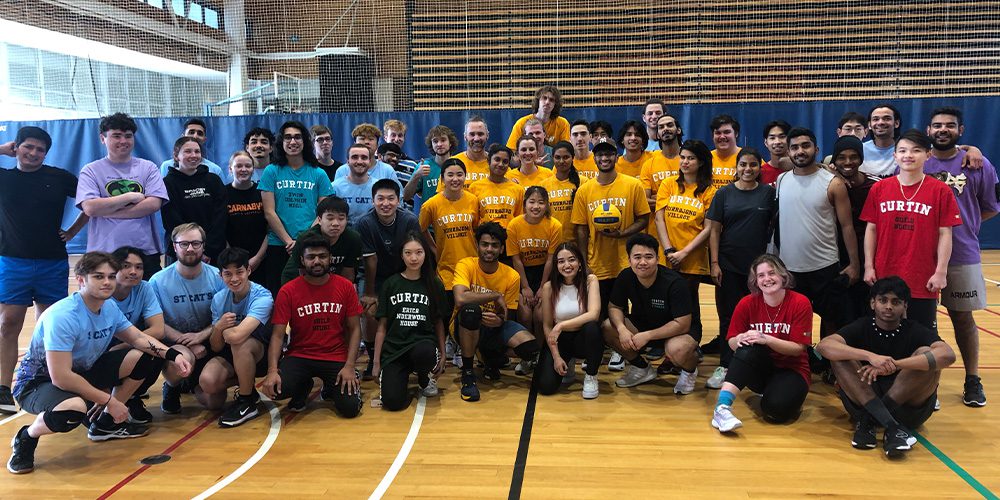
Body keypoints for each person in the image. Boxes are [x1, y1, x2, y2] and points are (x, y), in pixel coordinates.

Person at [7, 252, 192, 474]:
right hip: (39, 382)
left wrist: (173, 355)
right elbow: (61, 377)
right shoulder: (63, 315)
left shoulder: (109, 307)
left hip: (82, 372)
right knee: (73, 410)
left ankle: (105, 425)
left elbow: (139, 339)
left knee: (145, 355)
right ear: (81, 279)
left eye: (111, 276)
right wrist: (109, 400)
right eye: (98, 276)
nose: (107, 282)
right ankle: (27, 437)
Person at [0, 126, 87, 414]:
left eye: (40, 149)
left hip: (52, 261)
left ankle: (43, 381)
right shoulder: (5, 177)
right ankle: (2, 389)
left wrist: (73, 231)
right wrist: (4, 148)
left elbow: (89, 201)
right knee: (8, 323)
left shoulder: (58, 177)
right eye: (28, 147)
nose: (34, 153)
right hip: (13, 261)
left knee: (48, 326)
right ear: (17, 148)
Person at [817, 277, 955, 457]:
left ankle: (869, 421)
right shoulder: (862, 325)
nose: (888, 306)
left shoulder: (914, 329)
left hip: (906, 409)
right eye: (883, 300)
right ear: (873, 303)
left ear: (905, 306)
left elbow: (948, 355)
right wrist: (870, 357)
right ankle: (892, 427)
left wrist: (895, 365)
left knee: (926, 354)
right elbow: (823, 346)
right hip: (867, 398)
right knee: (840, 356)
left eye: (895, 302)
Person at [924, 107, 999, 407]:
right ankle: (929, 383)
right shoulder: (919, 160)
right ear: (928, 131)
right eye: (937, 125)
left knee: (963, 319)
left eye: (950, 126)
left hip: (963, 252)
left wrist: (964, 225)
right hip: (921, 254)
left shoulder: (977, 164)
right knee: (924, 322)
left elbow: (991, 206)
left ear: (961, 130)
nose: (943, 130)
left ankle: (972, 379)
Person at [861, 130, 962, 331]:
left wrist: (940, 271)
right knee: (883, 333)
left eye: (916, 150)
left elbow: (945, 234)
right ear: (895, 156)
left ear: (928, 154)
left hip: (922, 276)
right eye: (903, 150)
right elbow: (871, 229)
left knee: (922, 335)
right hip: (885, 273)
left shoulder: (940, 191)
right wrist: (869, 266)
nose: (908, 155)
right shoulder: (879, 189)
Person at [261, 234, 362, 416]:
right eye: (311, 257)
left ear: (330, 258)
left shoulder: (345, 287)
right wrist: (272, 371)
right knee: (276, 390)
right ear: (302, 260)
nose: (317, 261)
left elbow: (355, 329)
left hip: (335, 355)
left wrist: (349, 366)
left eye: (322, 256)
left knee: (350, 408)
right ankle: (303, 385)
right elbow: (277, 335)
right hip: (300, 355)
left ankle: (333, 387)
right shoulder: (288, 291)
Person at [710, 254, 813, 433]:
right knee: (747, 347)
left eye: (772, 273)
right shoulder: (746, 303)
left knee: (776, 412)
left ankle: (777, 393)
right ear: (755, 281)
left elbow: (798, 349)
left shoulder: (800, 302)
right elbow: (731, 342)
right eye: (761, 275)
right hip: (759, 369)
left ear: (783, 275)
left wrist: (766, 338)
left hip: (792, 368)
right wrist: (740, 340)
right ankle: (722, 409)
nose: (767, 279)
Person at [775, 127, 859, 337]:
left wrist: (854, 264)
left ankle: (829, 363)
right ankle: (800, 363)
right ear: (788, 151)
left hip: (825, 266)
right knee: (794, 321)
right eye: (794, 147)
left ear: (816, 148)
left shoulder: (833, 183)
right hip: (789, 267)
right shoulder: (781, 180)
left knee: (831, 320)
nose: (800, 151)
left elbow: (847, 226)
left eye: (805, 145)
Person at [705, 148, 777, 388]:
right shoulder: (723, 193)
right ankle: (725, 365)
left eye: (753, 165)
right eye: (743, 164)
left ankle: (754, 365)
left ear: (760, 167)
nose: (748, 169)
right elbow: (714, 229)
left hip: (759, 270)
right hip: (728, 265)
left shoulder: (768, 193)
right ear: (736, 167)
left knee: (758, 318)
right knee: (728, 317)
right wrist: (714, 263)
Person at [453, 222, 540, 402]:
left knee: (530, 348)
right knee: (471, 311)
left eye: (494, 245)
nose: (489, 249)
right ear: (477, 245)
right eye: (485, 244)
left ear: (501, 249)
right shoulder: (466, 264)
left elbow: (506, 314)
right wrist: (493, 295)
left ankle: (490, 358)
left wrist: (499, 321)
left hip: (492, 328)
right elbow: (460, 299)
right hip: (464, 325)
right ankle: (468, 374)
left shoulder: (511, 275)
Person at [570, 138, 650, 333]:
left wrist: (621, 234)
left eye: (609, 154)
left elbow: (643, 219)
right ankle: (604, 347)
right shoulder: (584, 190)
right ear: (594, 158)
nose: (604, 158)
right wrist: (583, 261)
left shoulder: (633, 185)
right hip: (597, 260)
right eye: (600, 154)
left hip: (626, 260)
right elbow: (581, 228)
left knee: (627, 308)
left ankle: (627, 347)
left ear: (616, 156)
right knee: (600, 308)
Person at [77, 112, 169, 278]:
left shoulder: (148, 167)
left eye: (128, 136)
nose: (123, 141)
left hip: (144, 250)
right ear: (102, 138)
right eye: (116, 136)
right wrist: (130, 197)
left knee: (146, 301)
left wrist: (107, 210)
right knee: (105, 302)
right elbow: (90, 207)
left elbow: (153, 204)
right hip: (103, 252)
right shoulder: (91, 170)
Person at [602, 234, 696, 392]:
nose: (643, 262)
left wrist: (648, 335)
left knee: (678, 349)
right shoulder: (626, 276)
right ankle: (642, 368)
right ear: (629, 259)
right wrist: (622, 328)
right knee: (608, 327)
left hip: (677, 331)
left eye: (648, 257)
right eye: (637, 257)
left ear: (658, 259)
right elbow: (614, 307)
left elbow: (682, 324)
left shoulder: (674, 283)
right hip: (644, 324)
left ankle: (689, 371)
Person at [149, 223, 225, 414]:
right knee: (181, 359)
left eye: (195, 243)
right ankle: (172, 386)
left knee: (214, 403)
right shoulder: (157, 281)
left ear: (203, 246)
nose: (190, 248)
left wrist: (201, 336)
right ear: (174, 247)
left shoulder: (218, 277)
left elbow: (225, 316)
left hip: (211, 340)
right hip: (177, 343)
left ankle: (192, 381)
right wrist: (188, 342)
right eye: (184, 244)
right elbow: (155, 323)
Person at [654, 139, 717, 357]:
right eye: (683, 157)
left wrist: (684, 253)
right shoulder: (669, 184)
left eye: (691, 158)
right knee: (666, 304)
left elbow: (708, 228)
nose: (685, 162)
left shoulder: (709, 191)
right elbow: (659, 218)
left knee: (688, 306)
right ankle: (666, 348)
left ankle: (690, 347)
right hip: (669, 256)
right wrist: (669, 250)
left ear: (700, 162)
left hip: (692, 259)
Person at [374, 233, 448, 410]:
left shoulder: (434, 284)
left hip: (421, 345)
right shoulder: (391, 284)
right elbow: (382, 327)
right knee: (392, 403)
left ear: (425, 254)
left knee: (424, 352)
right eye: (408, 253)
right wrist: (376, 362)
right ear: (401, 255)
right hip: (395, 349)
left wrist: (443, 354)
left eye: (419, 252)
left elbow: (438, 322)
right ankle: (399, 376)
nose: (413, 258)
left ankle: (424, 377)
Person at [356, 179, 421, 378]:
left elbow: (414, 254)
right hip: (373, 276)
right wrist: (369, 293)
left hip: (402, 273)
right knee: (369, 311)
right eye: (380, 199)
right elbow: (370, 260)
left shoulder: (409, 220)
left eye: (391, 198)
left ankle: (410, 354)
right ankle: (374, 355)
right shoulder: (364, 222)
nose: (386, 203)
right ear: (373, 200)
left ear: (399, 200)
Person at [259, 121, 334, 295]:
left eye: (297, 137)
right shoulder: (271, 171)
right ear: (281, 142)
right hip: (279, 244)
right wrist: (288, 241)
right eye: (288, 137)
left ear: (305, 141)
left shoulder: (318, 173)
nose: (293, 142)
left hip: (310, 244)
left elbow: (323, 213)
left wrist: (302, 241)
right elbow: (269, 212)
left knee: (310, 296)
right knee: (279, 297)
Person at [205, 247, 273, 427]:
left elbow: (236, 337)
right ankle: (247, 386)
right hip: (232, 353)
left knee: (239, 344)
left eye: (239, 272)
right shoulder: (219, 299)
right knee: (208, 382)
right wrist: (219, 326)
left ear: (249, 270)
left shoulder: (263, 296)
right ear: (220, 275)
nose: (234, 279)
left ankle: (246, 400)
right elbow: (216, 346)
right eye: (228, 274)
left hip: (261, 354)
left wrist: (224, 330)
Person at [536, 243, 603, 399]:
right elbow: (547, 326)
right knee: (545, 387)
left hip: (583, 338)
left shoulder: (590, 280)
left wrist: (561, 325)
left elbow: (594, 314)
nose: (567, 265)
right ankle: (568, 362)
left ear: (580, 262)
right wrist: (556, 356)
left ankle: (591, 376)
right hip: (560, 341)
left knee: (592, 327)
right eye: (561, 261)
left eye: (571, 260)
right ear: (556, 265)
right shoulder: (549, 287)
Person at [108, 246, 166, 424]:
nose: (133, 272)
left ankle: (131, 397)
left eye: (139, 267)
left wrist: (125, 344)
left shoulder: (144, 288)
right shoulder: (103, 291)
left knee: (154, 350)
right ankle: (104, 404)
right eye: (126, 266)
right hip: (100, 347)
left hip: (125, 343)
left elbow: (158, 329)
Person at [418, 159, 480, 323]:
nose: (455, 179)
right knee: (447, 313)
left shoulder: (473, 200)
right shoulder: (431, 204)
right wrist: (433, 247)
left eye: (459, 174)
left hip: (471, 264)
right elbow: (421, 229)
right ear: (442, 179)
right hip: (446, 266)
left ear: (465, 177)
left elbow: (477, 230)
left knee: (469, 313)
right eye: (450, 175)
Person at [830, 136, 879, 322]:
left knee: (868, 312)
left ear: (861, 158)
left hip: (870, 258)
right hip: (836, 258)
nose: (848, 162)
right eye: (841, 157)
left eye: (853, 157)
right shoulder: (828, 181)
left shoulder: (875, 185)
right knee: (837, 314)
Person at [161, 136, 227, 263]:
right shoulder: (167, 183)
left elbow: (220, 217)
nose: (194, 155)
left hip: (211, 252)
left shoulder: (213, 180)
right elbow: (171, 220)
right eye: (188, 151)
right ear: (176, 156)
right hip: (180, 251)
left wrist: (206, 250)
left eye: (197, 151)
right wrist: (191, 248)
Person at [507, 186, 563, 336]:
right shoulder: (514, 225)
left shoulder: (555, 226)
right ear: (525, 204)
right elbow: (516, 259)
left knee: (539, 316)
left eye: (541, 202)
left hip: (544, 273)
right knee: (525, 314)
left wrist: (542, 286)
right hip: (522, 274)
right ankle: (527, 349)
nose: (536, 207)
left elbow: (551, 259)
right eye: (532, 202)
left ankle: (540, 350)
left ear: (547, 205)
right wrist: (525, 287)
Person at [279, 196, 361, 286]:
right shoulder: (305, 238)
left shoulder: (353, 238)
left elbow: (348, 274)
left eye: (341, 219)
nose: (336, 223)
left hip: (331, 279)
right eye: (330, 218)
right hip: (297, 279)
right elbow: (303, 273)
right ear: (319, 220)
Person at [225, 151, 269, 285]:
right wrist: (233, 259)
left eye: (248, 166)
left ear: (253, 168)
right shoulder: (222, 193)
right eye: (238, 166)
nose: (243, 169)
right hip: (232, 261)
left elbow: (270, 229)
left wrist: (258, 258)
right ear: (230, 169)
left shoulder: (263, 192)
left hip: (262, 259)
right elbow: (219, 229)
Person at [641, 114, 682, 239]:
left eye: (670, 125)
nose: (665, 129)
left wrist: (659, 199)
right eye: (661, 127)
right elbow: (645, 202)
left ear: (678, 130)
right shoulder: (649, 164)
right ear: (657, 134)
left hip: (685, 230)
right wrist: (678, 201)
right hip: (656, 233)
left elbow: (696, 198)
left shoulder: (688, 160)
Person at [332, 124, 403, 190]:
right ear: (355, 143)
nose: (366, 142)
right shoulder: (342, 171)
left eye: (370, 139)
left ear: (377, 144)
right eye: (362, 138)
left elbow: (397, 198)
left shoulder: (387, 170)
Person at [469, 144, 524, 228]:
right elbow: (474, 221)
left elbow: (519, 220)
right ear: (488, 161)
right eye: (497, 159)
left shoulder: (518, 190)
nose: (500, 164)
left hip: (509, 238)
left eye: (505, 161)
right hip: (484, 238)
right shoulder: (474, 187)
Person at [540, 141, 585, 244]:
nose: (561, 161)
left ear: (573, 158)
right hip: (551, 242)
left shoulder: (583, 182)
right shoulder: (543, 185)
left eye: (566, 157)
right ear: (552, 158)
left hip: (577, 243)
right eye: (557, 157)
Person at [158, 118, 227, 182]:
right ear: (183, 136)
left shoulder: (215, 170)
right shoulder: (166, 166)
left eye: (200, 133)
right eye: (191, 132)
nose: (195, 136)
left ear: (204, 139)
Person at [506, 85, 570, 150]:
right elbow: (512, 150)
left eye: (551, 100)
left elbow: (565, 149)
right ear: (538, 101)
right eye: (544, 98)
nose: (547, 102)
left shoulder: (563, 123)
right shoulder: (521, 123)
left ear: (555, 104)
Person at [406, 125, 458, 204]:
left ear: (450, 143)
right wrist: (416, 176)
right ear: (431, 144)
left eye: (443, 140)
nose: (439, 144)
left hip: (453, 214)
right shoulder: (423, 166)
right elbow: (406, 196)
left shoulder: (459, 165)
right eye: (435, 141)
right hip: (430, 214)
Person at [331, 143, 377, 227]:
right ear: (348, 161)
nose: (359, 161)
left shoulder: (378, 187)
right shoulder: (335, 187)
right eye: (355, 157)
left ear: (370, 162)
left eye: (364, 158)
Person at [861, 104, 902, 178]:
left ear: (896, 123)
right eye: (875, 119)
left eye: (887, 118)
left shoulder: (906, 150)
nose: (880, 122)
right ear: (869, 125)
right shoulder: (860, 149)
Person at [452, 117, 492, 186]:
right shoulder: (453, 163)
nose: (476, 139)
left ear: (487, 135)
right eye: (472, 134)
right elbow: (443, 194)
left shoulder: (496, 164)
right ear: (465, 136)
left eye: (480, 134)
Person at [709, 114, 741, 190]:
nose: (722, 136)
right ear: (712, 136)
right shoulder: (705, 158)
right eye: (718, 133)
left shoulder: (748, 158)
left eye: (727, 132)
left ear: (736, 134)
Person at [760, 120, 790, 184]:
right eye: (772, 138)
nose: (777, 142)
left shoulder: (800, 170)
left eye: (782, 137)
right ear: (766, 143)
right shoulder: (760, 173)